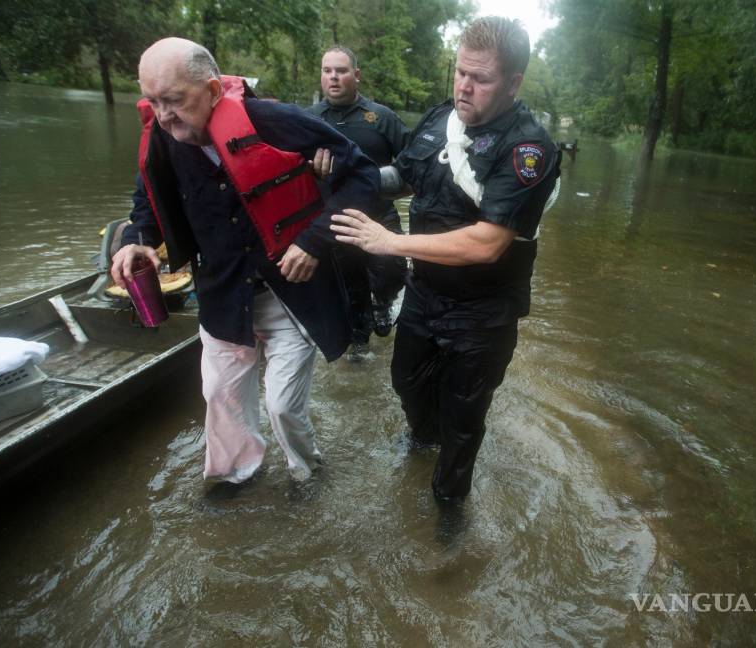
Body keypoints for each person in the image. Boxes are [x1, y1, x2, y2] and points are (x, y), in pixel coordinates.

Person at [110, 37, 379, 483]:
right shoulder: (161, 138)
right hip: (221, 293)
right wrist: (136, 240)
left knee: (282, 406)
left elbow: (364, 175)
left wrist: (314, 241)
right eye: (152, 101)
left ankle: (306, 473)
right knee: (219, 395)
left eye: (174, 100)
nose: (163, 115)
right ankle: (236, 477)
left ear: (213, 91)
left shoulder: (274, 121)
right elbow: (147, 205)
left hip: (290, 294)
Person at [330, 17, 561, 501]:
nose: (464, 86)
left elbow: (486, 243)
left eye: (481, 78)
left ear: (513, 82)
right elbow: (408, 175)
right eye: (459, 73)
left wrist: (389, 243)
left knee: (462, 421)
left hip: (483, 312)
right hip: (426, 294)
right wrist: (353, 173)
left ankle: (449, 519)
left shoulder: (529, 149)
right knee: (406, 382)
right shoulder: (441, 119)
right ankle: (421, 440)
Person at [308, 46, 410, 360]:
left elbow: (412, 160)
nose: (333, 77)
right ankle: (359, 345)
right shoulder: (309, 119)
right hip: (335, 219)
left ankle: (384, 300)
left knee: (392, 270)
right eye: (327, 71)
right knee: (349, 287)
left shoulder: (381, 117)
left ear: (356, 75)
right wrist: (308, 167)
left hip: (379, 214)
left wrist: (384, 179)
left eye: (341, 70)